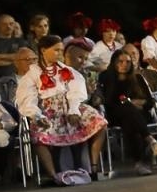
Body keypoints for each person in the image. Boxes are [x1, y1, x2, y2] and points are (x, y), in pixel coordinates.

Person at [17, 34, 108, 182]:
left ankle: (93, 167)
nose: (60, 54)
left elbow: (76, 91)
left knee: (99, 122)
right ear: (43, 50)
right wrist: (37, 115)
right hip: (48, 109)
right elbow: (28, 99)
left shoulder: (67, 71)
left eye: (61, 50)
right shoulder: (33, 74)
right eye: (56, 50)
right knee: (39, 135)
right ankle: (54, 174)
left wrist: (73, 109)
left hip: (69, 105)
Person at [98, 50, 157, 174]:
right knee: (127, 109)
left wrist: (138, 103)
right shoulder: (106, 77)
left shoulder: (138, 78)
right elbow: (108, 102)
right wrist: (129, 103)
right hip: (115, 115)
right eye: (121, 61)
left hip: (137, 115)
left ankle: (140, 162)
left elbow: (150, 102)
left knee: (130, 122)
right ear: (114, 63)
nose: (125, 64)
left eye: (128, 62)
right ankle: (150, 141)